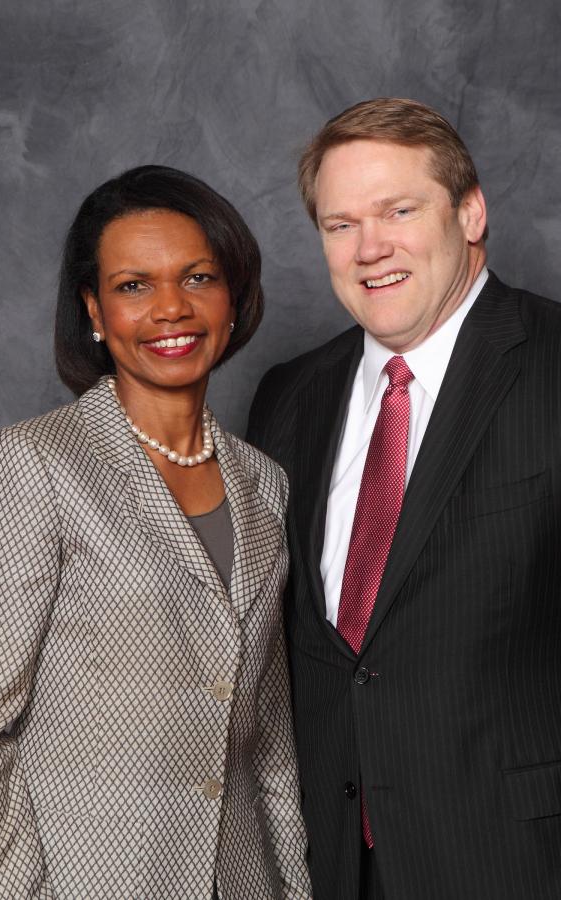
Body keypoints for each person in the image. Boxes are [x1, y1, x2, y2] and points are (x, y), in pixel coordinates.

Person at [0, 165, 312, 899]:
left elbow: (268, 738)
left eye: (198, 277)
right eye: (133, 286)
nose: (171, 309)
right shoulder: (34, 465)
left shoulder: (264, 483)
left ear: (232, 296)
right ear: (93, 309)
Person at [247, 97, 561, 900]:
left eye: (398, 210)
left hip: (513, 862)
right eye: (340, 224)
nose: (370, 248)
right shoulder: (288, 398)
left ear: (471, 211)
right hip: (330, 869)